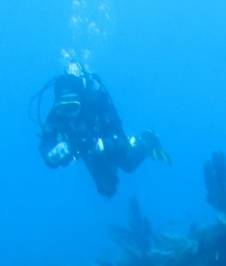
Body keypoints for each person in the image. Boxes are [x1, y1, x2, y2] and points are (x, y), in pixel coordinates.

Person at [35, 64, 170, 198]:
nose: (68, 114)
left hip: (105, 142)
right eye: (63, 109)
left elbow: (118, 135)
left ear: (82, 102)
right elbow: (45, 142)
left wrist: (104, 144)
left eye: (73, 107)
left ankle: (147, 139)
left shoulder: (98, 103)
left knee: (128, 165)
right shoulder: (56, 113)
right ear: (57, 105)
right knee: (107, 189)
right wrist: (51, 155)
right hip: (81, 148)